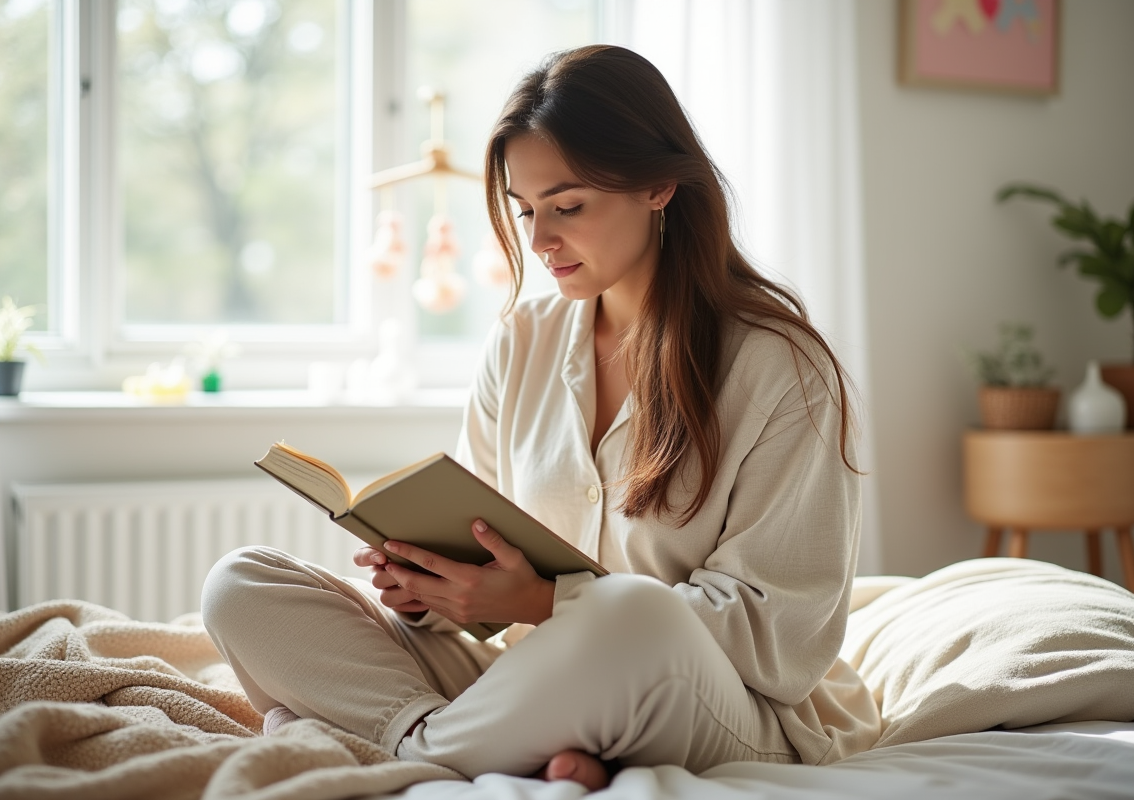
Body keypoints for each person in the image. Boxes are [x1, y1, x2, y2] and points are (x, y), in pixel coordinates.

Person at [201, 44, 880, 791]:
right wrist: (427, 589)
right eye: (527, 210)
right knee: (242, 585)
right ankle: (464, 741)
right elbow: (481, 539)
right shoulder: (522, 340)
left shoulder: (781, 368)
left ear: (658, 185)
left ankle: (407, 748)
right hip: (526, 675)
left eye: (568, 206)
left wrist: (544, 601)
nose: (538, 240)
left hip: (722, 699)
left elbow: (775, 635)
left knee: (633, 617)